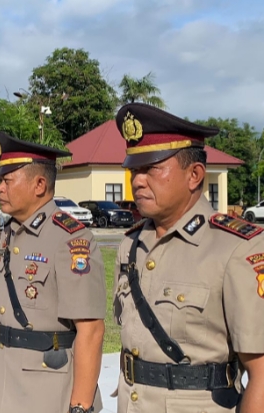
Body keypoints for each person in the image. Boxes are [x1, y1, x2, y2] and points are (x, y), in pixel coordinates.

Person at [113, 103, 264, 413]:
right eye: (133, 169)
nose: (137, 180)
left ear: (194, 175)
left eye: (151, 168)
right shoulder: (131, 245)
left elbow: (261, 373)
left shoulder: (235, 248)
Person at [0, 132, 106, 413]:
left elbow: (90, 330)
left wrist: (80, 406)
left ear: (39, 184)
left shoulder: (69, 239)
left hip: (47, 388)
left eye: (7, 181)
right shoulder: (9, 232)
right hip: (9, 378)